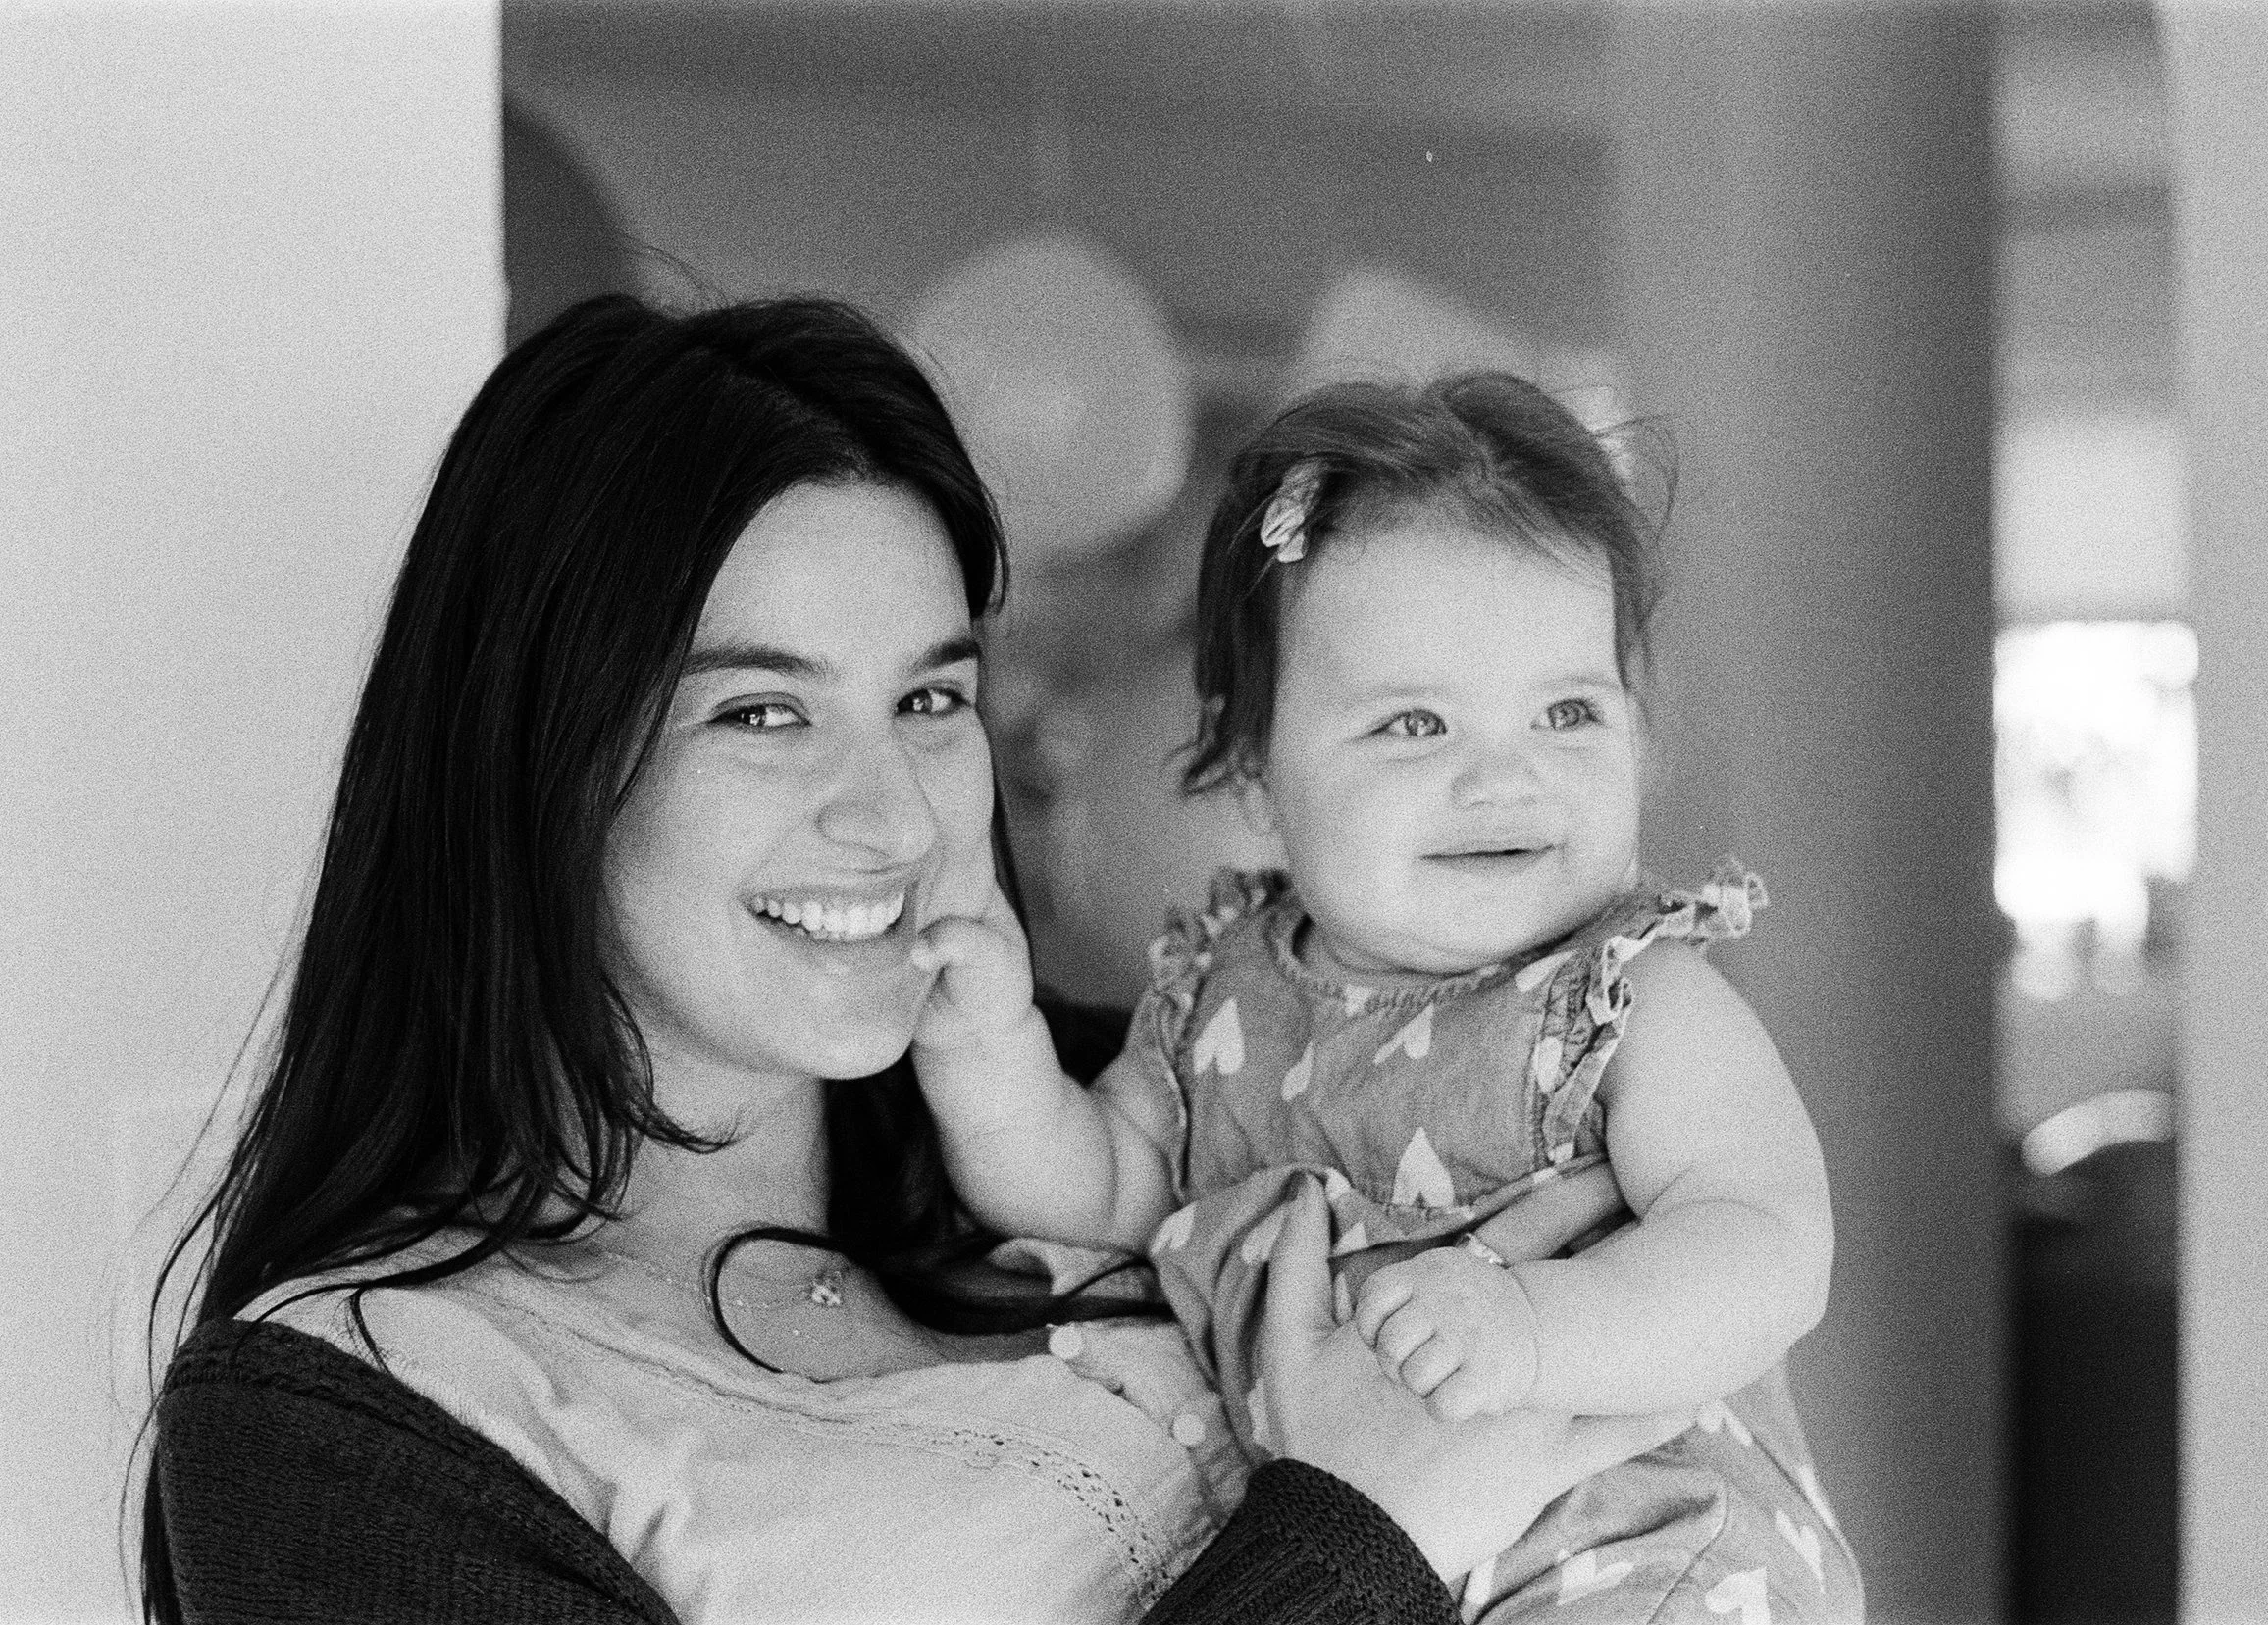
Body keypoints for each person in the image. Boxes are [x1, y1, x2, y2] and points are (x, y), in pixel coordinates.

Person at [137, 299, 1683, 1624]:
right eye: (762, 712)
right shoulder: (348, 1422)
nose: (889, 816)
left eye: (931, 703)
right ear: (532, 764)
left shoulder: (1160, 1109)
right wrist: (1356, 1539)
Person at [907, 376, 1863, 1621]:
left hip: (1638, 1558)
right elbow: (1098, 1192)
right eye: (1416, 723)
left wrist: (1530, 1322)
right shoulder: (1217, 993)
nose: (1504, 774)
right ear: (1252, 775)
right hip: (1356, 1574)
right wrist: (986, 1050)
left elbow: (1769, 1245)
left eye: (1568, 709)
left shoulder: (1622, 998)